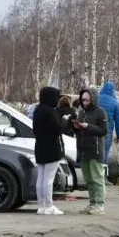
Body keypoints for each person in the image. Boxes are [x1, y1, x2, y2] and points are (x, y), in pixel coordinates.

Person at [33, 86, 67, 215]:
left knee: (41, 178)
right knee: (49, 179)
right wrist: (64, 120)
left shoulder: (37, 110)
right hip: (52, 148)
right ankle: (49, 205)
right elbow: (58, 129)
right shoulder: (50, 112)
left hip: (40, 147)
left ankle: (41, 205)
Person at [73, 88, 108, 214]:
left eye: (87, 100)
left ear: (92, 99)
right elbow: (79, 131)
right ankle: (93, 203)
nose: (85, 102)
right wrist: (77, 127)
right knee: (88, 179)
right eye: (83, 100)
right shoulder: (81, 112)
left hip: (96, 149)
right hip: (84, 149)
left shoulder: (100, 112)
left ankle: (100, 204)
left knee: (97, 178)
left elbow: (103, 131)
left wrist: (89, 127)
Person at [98, 81, 119, 165]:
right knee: (104, 153)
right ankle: (103, 174)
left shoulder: (96, 98)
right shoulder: (116, 103)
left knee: (94, 153)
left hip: (93, 129)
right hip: (107, 130)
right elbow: (118, 122)